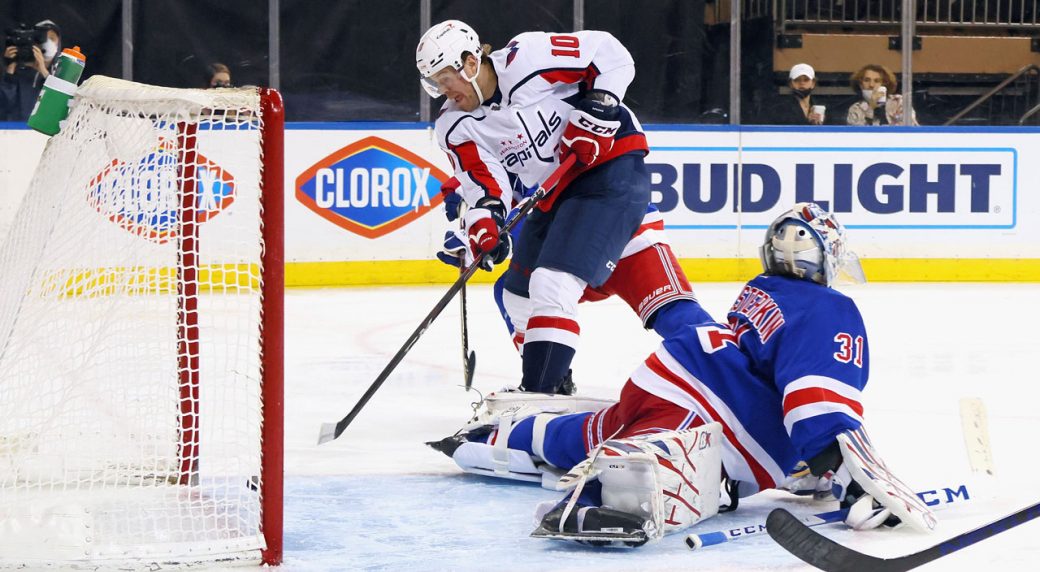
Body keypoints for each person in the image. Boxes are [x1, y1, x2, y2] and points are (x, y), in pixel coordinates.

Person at [428, 203, 936, 546]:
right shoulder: (831, 308)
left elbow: (770, 376)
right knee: (651, 455)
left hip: (673, 371)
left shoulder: (762, 288)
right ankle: (593, 501)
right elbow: (814, 404)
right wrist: (850, 480)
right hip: (718, 412)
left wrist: (810, 469)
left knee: (597, 430)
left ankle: (502, 435)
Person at [417, 21, 707, 395]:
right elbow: (487, 187)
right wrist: (485, 223)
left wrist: (599, 108)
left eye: (445, 79)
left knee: (558, 284)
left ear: (471, 63)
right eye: (435, 83)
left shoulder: (527, 58)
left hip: (609, 176)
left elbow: (609, 54)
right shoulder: (455, 125)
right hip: (559, 200)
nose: (444, 91)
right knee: (517, 295)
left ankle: (540, 394)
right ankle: (551, 386)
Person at [1, 19, 61, 121]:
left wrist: (44, 72)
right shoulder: (19, 71)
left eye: (52, 38)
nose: (48, 42)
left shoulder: (62, 72)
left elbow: (59, 104)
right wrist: (10, 70)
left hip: (43, 130)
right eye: (43, 38)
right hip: (15, 129)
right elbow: (4, 105)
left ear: (58, 43)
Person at [846, 64, 918, 126]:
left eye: (877, 81)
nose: (871, 85)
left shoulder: (898, 102)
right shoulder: (856, 109)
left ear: (884, 84)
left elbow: (909, 127)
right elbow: (857, 133)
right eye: (867, 80)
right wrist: (870, 108)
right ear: (861, 85)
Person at [759, 63, 827, 125]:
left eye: (806, 80)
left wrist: (820, 123)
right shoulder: (779, 108)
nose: (802, 83)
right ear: (790, 84)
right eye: (797, 80)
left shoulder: (821, 107)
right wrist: (807, 122)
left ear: (813, 83)